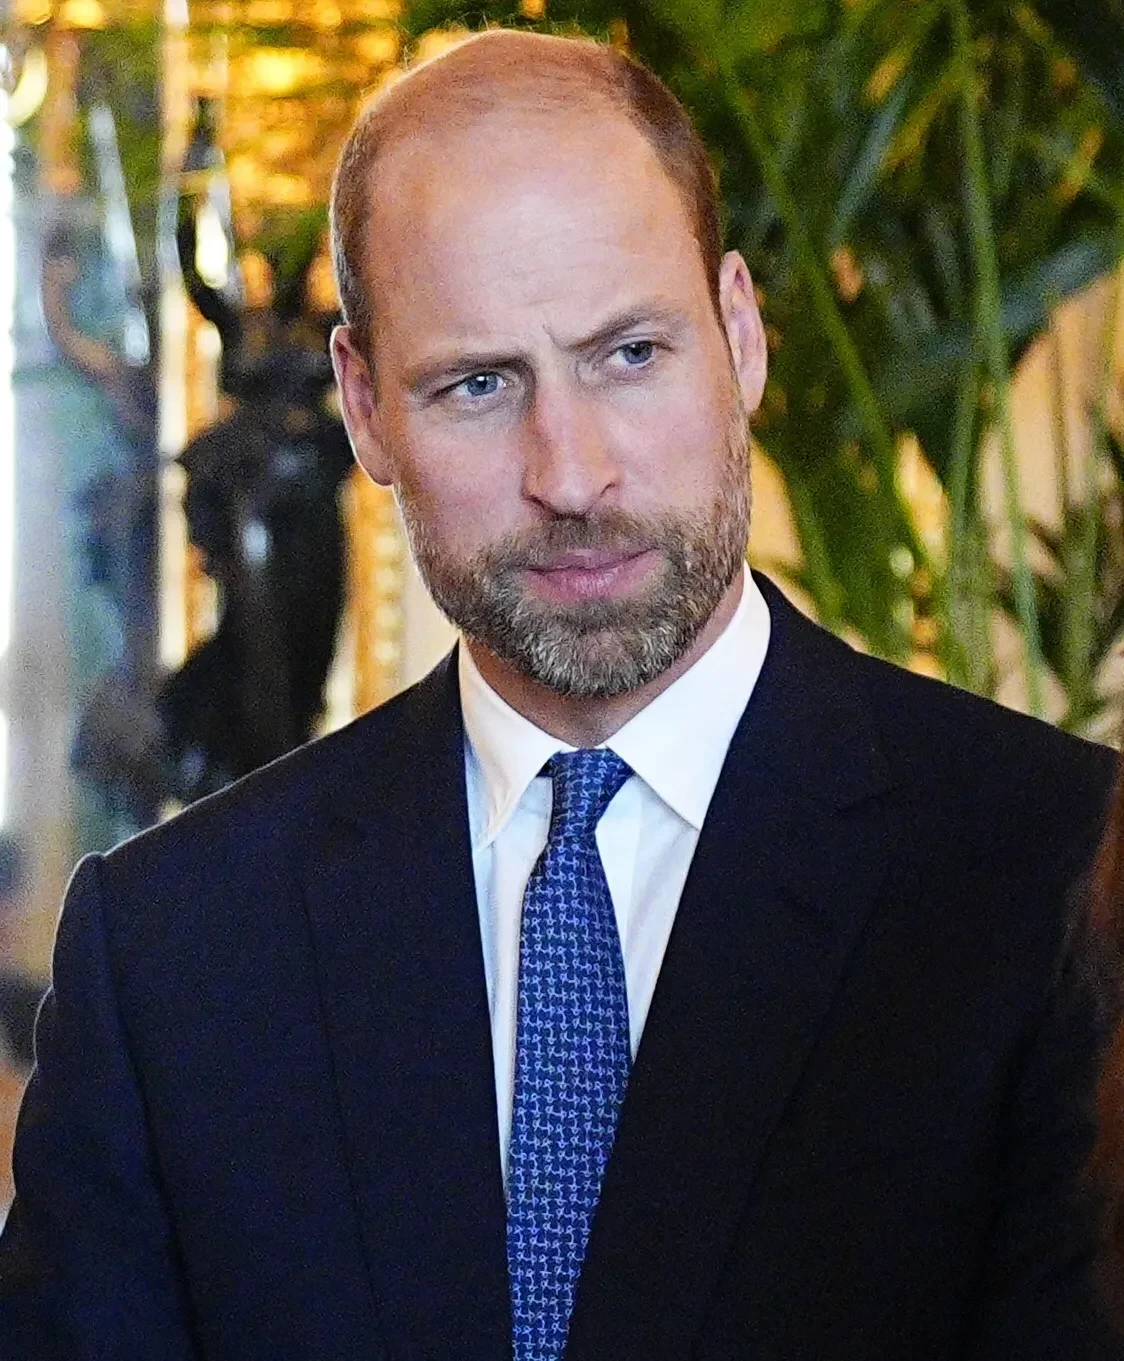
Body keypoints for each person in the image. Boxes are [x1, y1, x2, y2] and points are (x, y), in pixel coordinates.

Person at [0, 28, 1119, 1361]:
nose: (572, 475)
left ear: (741, 335)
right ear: (363, 408)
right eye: (478, 385)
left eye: (629, 355)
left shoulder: (1059, 874)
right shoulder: (173, 951)